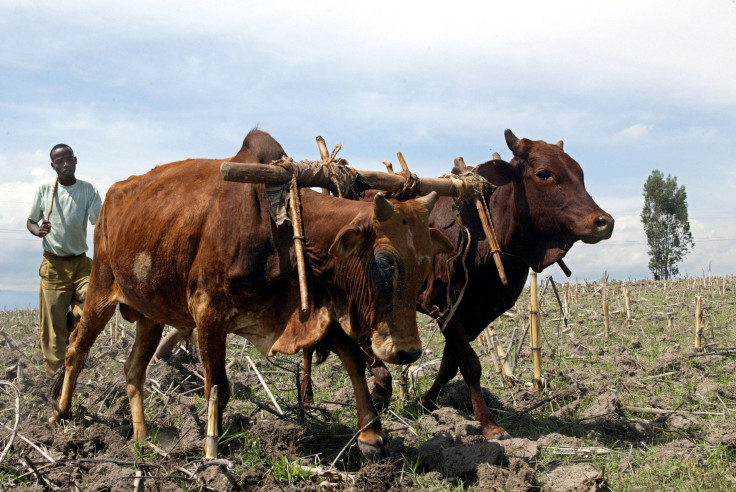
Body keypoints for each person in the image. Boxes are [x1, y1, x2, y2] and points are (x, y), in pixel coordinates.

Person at [27, 144, 102, 375]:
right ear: (53, 166)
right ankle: (56, 374)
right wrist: (38, 230)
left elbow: (100, 224)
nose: (65, 164)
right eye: (60, 162)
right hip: (53, 265)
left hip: (81, 263)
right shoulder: (44, 190)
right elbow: (31, 221)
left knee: (94, 305)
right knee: (52, 325)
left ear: (76, 161)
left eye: (69, 159)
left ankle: (72, 329)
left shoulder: (88, 190)